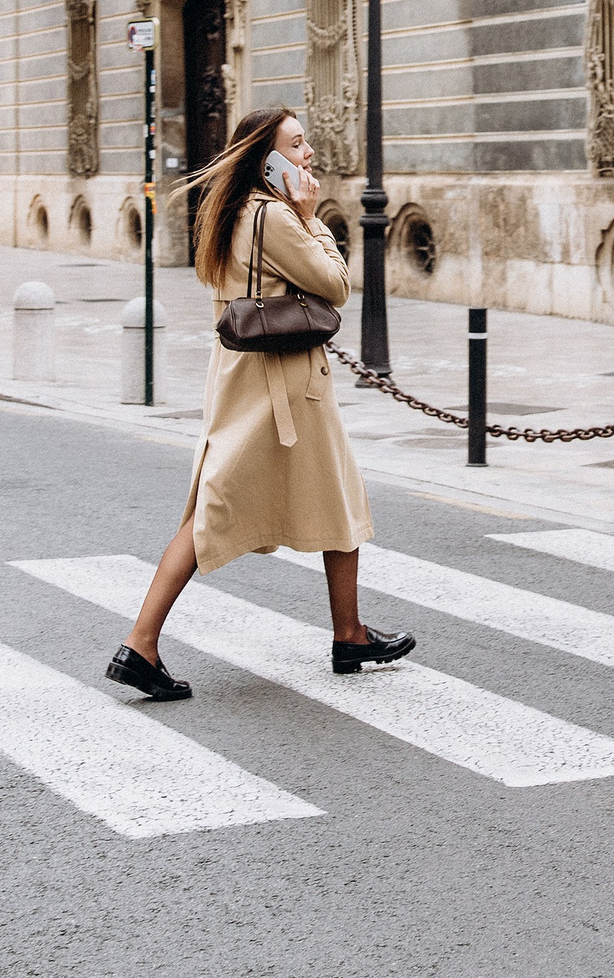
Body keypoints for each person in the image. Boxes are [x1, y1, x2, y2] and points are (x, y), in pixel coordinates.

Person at [106, 105, 415, 701]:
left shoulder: (230, 209)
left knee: (315, 498)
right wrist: (312, 219)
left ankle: (350, 633)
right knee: (222, 510)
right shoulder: (274, 216)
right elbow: (335, 286)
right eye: (296, 145)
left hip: (246, 375)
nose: (308, 154)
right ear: (265, 159)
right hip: (283, 383)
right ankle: (141, 644)